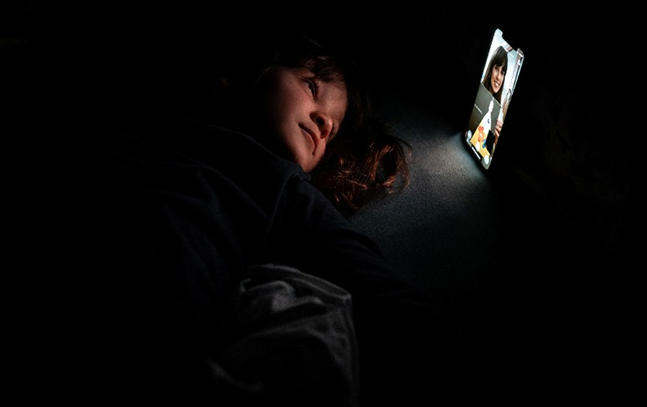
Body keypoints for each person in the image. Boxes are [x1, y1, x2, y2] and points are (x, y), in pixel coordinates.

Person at [82, 32, 466, 406]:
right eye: (312, 87)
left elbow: (374, 282)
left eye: (332, 130)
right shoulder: (168, 107)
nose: (324, 123)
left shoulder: (284, 186)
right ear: (262, 69)